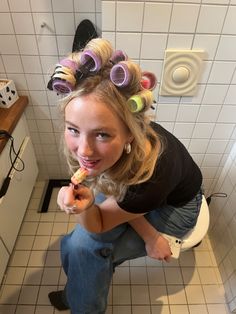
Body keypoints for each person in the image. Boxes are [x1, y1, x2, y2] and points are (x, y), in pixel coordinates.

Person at [47, 38, 203, 314]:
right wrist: (91, 208)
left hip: (175, 208)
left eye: (102, 134)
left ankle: (82, 304)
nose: (83, 150)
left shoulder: (150, 173)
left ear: (130, 132)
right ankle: (78, 293)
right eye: (73, 129)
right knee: (77, 243)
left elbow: (104, 219)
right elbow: (127, 201)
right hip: (139, 195)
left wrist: (152, 236)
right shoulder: (122, 145)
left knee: (89, 253)